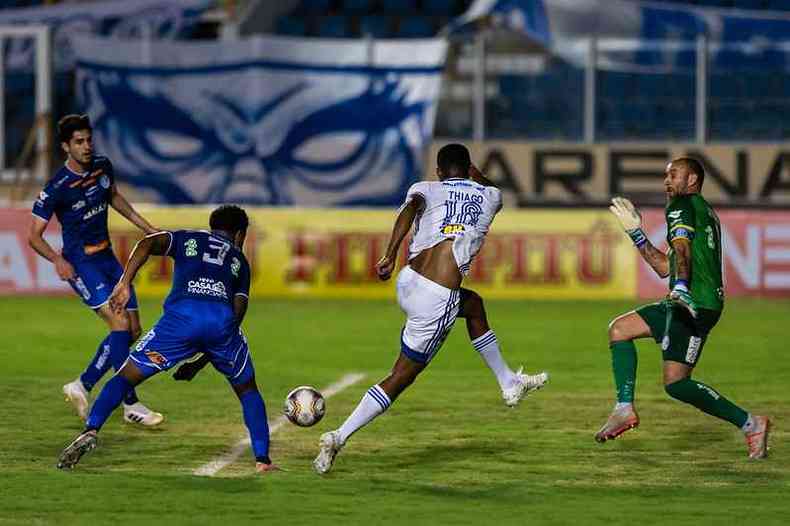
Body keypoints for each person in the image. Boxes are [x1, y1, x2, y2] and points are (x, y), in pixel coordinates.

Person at [313, 143, 549, 474]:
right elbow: (487, 184)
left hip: (408, 281)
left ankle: (509, 380)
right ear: (470, 168)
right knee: (400, 377)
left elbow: (411, 208)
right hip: (436, 299)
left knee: (474, 305)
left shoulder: (425, 188)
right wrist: (474, 174)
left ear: (439, 172)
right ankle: (338, 436)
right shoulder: (492, 196)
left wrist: (389, 254)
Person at [57, 205, 277, 473]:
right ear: (240, 234)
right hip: (221, 324)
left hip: (179, 323)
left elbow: (148, 242)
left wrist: (125, 282)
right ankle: (262, 460)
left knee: (126, 376)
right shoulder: (240, 262)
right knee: (248, 391)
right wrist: (199, 363)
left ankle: (91, 429)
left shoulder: (189, 239)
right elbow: (237, 314)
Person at [598, 157, 770, 459]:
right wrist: (636, 234)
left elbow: (682, 249)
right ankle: (624, 408)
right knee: (621, 330)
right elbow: (665, 266)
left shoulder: (682, 206)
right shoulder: (700, 209)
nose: (667, 181)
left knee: (676, 383)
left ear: (692, 180)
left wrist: (681, 288)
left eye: (674, 175)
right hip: (688, 301)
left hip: (694, 303)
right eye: (666, 176)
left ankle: (752, 424)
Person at [29, 114, 162, 426]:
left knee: (133, 330)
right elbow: (33, 236)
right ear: (66, 146)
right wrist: (58, 261)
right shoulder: (56, 187)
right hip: (82, 264)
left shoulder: (102, 166)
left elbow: (114, 197)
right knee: (118, 322)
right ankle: (129, 403)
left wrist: (148, 229)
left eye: (89, 140)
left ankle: (83, 384)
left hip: (108, 259)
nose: (86, 146)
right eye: (79, 142)